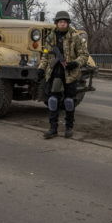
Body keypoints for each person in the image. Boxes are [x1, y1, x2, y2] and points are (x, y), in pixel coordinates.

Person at [38, 11, 89, 139]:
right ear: (56, 23)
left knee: (69, 101)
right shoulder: (50, 37)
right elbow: (45, 55)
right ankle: (53, 128)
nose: (62, 24)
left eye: (65, 22)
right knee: (53, 100)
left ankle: (68, 127)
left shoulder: (75, 37)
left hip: (70, 73)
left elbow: (84, 55)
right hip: (55, 72)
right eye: (60, 22)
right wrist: (41, 69)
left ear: (67, 23)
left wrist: (75, 63)